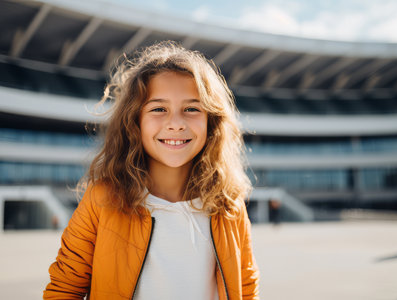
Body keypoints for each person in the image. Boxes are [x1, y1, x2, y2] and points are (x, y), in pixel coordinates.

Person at [43, 41, 260, 300]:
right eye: (159, 109)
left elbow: (245, 290)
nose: (176, 124)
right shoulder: (101, 199)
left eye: (191, 109)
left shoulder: (230, 207)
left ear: (211, 120)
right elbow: (63, 290)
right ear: (135, 121)